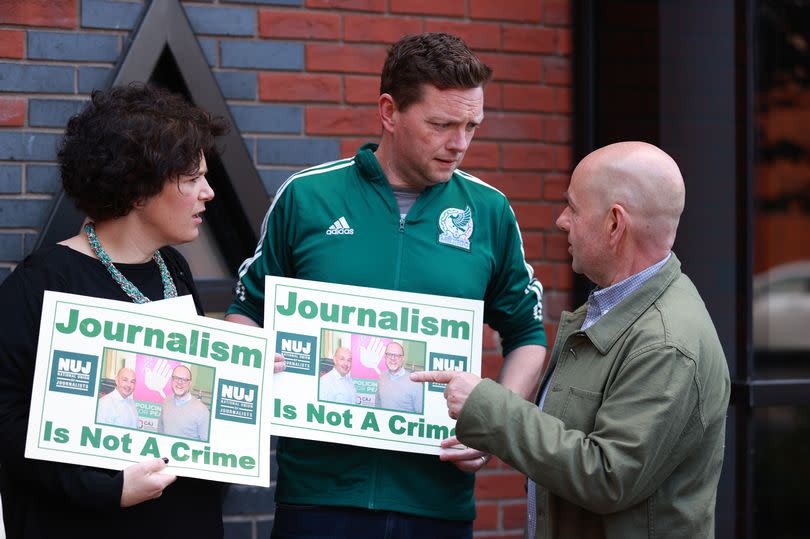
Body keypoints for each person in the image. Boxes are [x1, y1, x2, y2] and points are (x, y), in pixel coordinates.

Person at [226, 32, 547, 538]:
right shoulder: (308, 197)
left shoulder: (489, 211)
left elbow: (528, 335)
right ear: (389, 111)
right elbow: (246, 309)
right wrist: (251, 356)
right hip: (317, 498)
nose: (460, 143)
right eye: (442, 124)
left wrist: (496, 422)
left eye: (471, 126)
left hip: (435, 502)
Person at [413, 141, 731, 538]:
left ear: (615, 224)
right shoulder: (615, 312)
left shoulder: (665, 345)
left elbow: (606, 476)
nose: (562, 220)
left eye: (574, 208)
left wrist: (487, 408)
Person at [0, 84, 227, 538]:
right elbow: (6, 422)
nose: (209, 193)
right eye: (191, 178)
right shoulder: (43, 281)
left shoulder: (173, 268)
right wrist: (107, 490)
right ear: (138, 189)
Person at [159, 365, 210, 441]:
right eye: (176, 378)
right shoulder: (166, 401)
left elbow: (206, 445)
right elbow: (160, 429)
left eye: (185, 380)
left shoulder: (202, 411)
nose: (180, 382)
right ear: (172, 380)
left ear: (190, 383)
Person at [375, 342, 422, 413]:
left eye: (397, 355)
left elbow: (420, 414)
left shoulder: (415, 383)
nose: (393, 358)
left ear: (402, 359)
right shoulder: (382, 377)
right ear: (385, 357)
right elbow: (378, 404)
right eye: (389, 354)